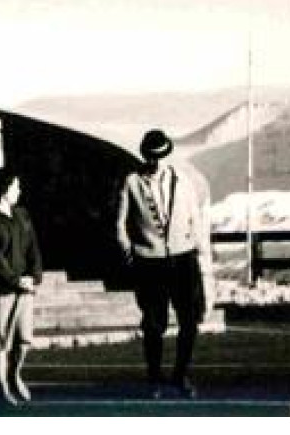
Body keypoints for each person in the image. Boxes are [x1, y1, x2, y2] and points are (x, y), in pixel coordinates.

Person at [115, 128, 212, 399]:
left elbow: (195, 216)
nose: (156, 163)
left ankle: (181, 375)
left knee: (189, 321)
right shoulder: (132, 182)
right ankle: (154, 378)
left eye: (161, 157)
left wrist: (199, 252)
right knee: (154, 324)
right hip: (149, 261)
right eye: (151, 157)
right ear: (145, 156)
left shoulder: (182, 180)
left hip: (183, 257)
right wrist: (129, 251)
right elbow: (120, 222)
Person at [0, 166, 42, 406]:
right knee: (0, 341)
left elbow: (33, 248)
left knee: (24, 339)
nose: (19, 190)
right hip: (2, 290)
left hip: (25, 288)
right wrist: (16, 280)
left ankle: (16, 373)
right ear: (4, 190)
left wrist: (34, 276)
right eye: (16, 186)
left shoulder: (22, 215)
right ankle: (2, 386)